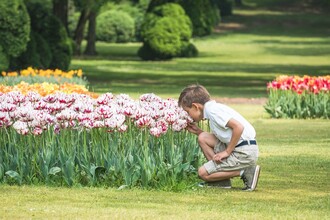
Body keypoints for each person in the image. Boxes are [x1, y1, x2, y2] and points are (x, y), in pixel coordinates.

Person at [178, 84, 260, 191]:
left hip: (244, 151)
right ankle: (221, 181)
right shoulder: (214, 108)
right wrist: (198, 131)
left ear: (195, 106)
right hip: (244, 146)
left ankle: (246, 171)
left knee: (202, 173)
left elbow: (238, 127)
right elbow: (227, 134)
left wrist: (227, 152)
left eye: (188, 112)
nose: (188, 115)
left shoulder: (213, 112)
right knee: (202, 137)